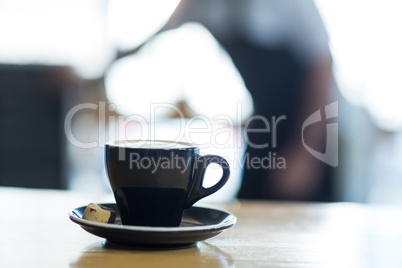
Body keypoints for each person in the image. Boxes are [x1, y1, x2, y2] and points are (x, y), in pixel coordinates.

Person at [117, 0, 336, 201]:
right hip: (265, 128)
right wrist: (116, 57)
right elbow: (166, 27)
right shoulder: (202, 4)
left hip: (308, 130)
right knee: (250, 217)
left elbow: (322, 63)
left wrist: (305, 154)